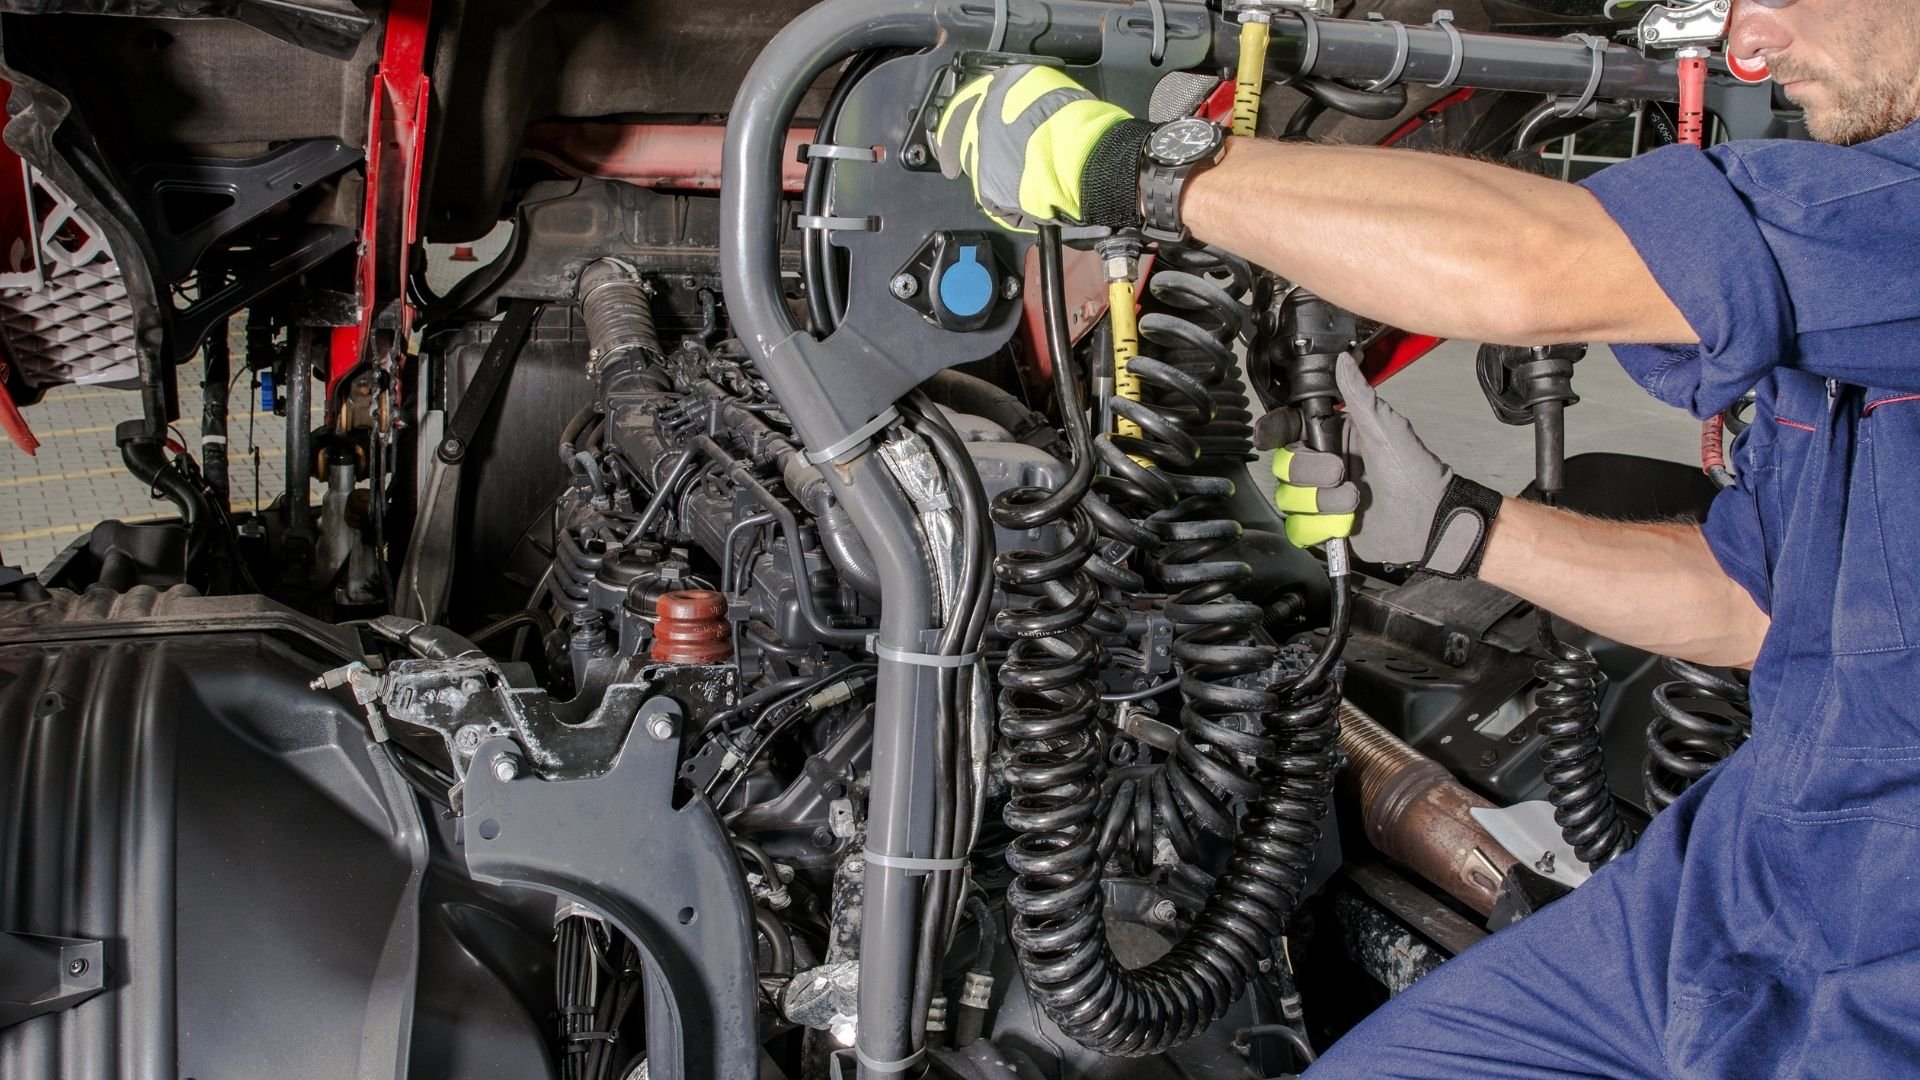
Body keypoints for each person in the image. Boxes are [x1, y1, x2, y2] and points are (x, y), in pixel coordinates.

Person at [937, 0, 1920, 1074]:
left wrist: (1136, 164)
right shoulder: (1861, 267)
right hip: (1736, 892)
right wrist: (1456, 524)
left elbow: (1537, 265)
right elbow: (1749, 605)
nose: (1749, 40)